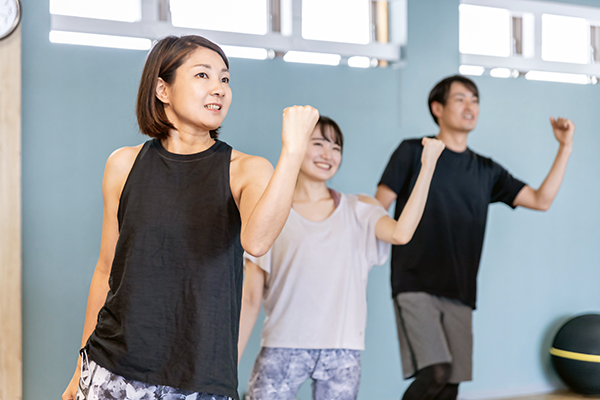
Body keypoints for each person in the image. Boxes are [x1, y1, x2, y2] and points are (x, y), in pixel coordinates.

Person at [62, 35, 320, 400]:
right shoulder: (123, 164)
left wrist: (293, 152)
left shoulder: (246, 169)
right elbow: (106, 270)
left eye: (225, 79)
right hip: (112, 368)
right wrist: (80, 367)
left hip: (200, 377)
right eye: (203, 75)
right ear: (162, 89)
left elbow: (258, 241)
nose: (219, 88)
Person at [375, 75, 575, 400]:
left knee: (450, 384)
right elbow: (377, 208)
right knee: (435, 371)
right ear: (437, 108)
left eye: (475, 99)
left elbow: (541, 200)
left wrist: (565, 147)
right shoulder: (413, 151)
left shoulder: (486, 170)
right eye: (460, 99)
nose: (470, 106)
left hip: (460, 289)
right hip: (414, 282)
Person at [238, 116, 445, 400]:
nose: (328, 154)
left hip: (342, 350)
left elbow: (401, 233)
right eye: (318, 143)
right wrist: (227, 366)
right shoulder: (272, 215)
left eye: (336, 147)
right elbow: (249, 297)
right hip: (282, 346)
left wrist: (428, 165)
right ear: (298, 146)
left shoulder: (359, 209)